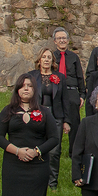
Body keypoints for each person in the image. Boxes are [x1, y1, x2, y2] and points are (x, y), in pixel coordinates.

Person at [27, 46, 66, 188]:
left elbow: (64, 100)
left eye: (49, 57)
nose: (46, 60)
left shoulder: (59, 77)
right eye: (44, 57)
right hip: (36, 115)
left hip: (55, 116)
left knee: (54, 151)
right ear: (39, 59)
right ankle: (36, 180)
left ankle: (52, 183)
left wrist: (66, 121)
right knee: (35, 146)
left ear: (53, 60)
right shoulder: (31, 76)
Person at [50, 28, 85, 177]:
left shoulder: (73, 57)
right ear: (55, 41)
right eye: (59, 38)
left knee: (74, 123)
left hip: (71, 91)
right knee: (55, 121)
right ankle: (53, 149)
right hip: (55, 90)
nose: (62, 40)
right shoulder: (51, 56)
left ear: (68, 40)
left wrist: (82, 94)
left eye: (64, 38)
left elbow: (79, 76)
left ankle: (73, 152)